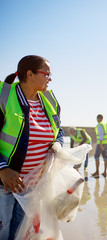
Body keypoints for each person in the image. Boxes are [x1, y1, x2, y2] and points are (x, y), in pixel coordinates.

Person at [0, 55, 64, 239]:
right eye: (47, 74)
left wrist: (57, 144)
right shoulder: (4, 97)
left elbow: (58, 131)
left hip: (32, 187)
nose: (50, 79)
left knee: (21, 235)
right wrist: (3, 169)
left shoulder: (50, 101)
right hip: (3, 185)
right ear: (30, 74)